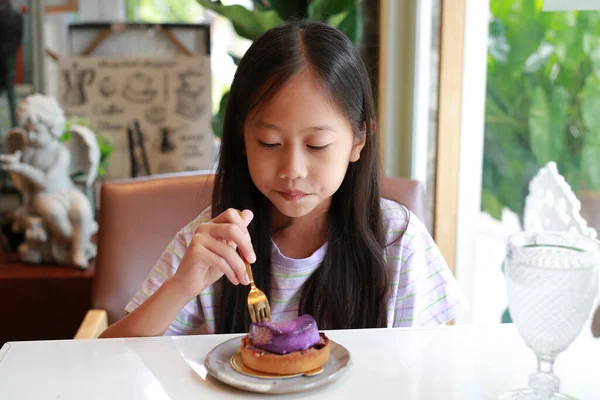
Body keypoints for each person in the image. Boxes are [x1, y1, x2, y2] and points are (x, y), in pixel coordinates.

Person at [100, 20, 466, 338]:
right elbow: (110, 360)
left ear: (358, 141)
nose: (292, 168)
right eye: (269, 142)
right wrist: (182, 287)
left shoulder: (398, 244)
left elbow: (429, 370)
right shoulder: (215, 241)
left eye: (317, 145)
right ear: (242, 139)